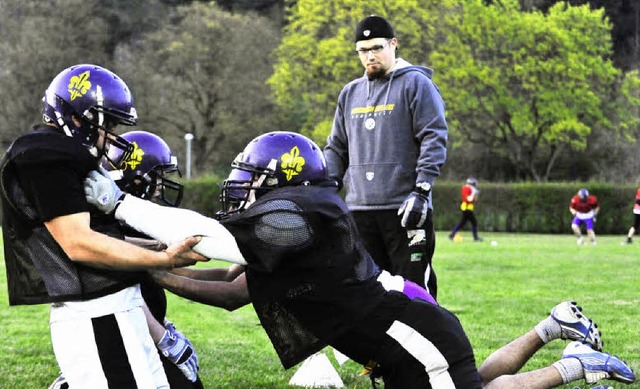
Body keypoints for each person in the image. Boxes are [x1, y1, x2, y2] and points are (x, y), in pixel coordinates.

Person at [84, 131, 635, 388]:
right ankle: (553, 326)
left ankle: (577, 367)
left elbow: (212, 246)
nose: (240, 188)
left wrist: (132, 231)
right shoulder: (300, 219)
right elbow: (234, 288)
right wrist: (153, 265)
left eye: (253, 178)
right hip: (407, 326)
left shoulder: (295, 217)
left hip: (402, 332)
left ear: (283, 181)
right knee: (466, 382)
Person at [0, 63, 209, 389]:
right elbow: (78, 243)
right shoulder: (44, 154)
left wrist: (159, 247)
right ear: (76, 118)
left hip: (113, 310)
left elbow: (100, 236)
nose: (112, 134)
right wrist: (165, 260)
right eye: (107, 123)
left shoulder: (55, 152)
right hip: (97, 315)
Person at [49, 130, 203, 389]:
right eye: (157, 178)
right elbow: (122, 290)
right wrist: (163, 337)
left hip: (133, 330)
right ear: (136, 180)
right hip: (115, 335)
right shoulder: (102, 227)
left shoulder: (124, 225)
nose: (162, 187)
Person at [323, 15, 448, 298]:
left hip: (405, 210)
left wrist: (422, 190)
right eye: (363, 50)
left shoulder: (416, 84)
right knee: (367, 293)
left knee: (414, 293)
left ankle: (432, 340)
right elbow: (336, 147)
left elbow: (434, 136)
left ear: (393, 44)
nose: (370, 56)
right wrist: (327, 188)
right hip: (359, 211)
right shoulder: (350, 93)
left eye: (377, 48)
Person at [449, 177, 483, 242]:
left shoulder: (469, 188)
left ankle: (452, 234)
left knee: (462, 223)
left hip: (467, 208)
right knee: (474, 222)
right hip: (467, 208)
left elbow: (473, 200)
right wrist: (474, 194)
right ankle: (476, 238)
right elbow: (468, 199)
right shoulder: (467, 188)